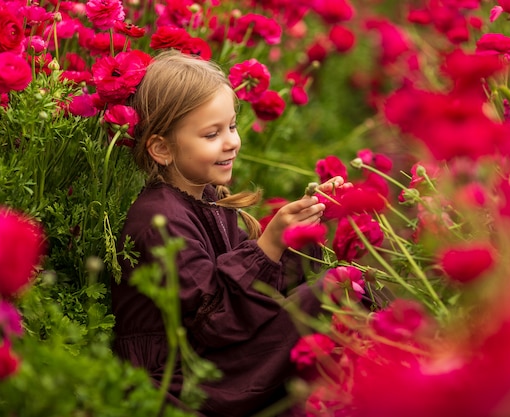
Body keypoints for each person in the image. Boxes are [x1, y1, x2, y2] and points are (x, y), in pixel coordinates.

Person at [111, 49, 347, 417]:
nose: (232, 142)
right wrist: (268, 245)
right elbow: (214, 322)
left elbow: (255, 296)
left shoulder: (206, 198)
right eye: (212, 134)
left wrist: (296, 234)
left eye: (232, 127)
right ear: (161, 148)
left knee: (336, 290)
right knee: (333, 293)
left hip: (211, 359)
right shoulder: (159, 218)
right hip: (179, 382)